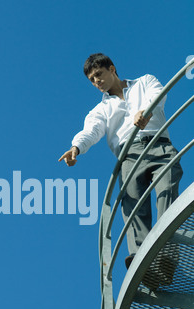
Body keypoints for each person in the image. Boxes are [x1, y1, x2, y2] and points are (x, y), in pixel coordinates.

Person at [58, 53, 183, 269]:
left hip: (157, 141)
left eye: (98, 74)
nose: (96, 81)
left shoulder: (144, 81)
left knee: (167, 188)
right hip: (129, 155)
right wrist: (76, 147)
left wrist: (146, 111)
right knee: (132, 204)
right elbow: (92, 130)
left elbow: (158, 95)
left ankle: (166, 258)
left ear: (112, 68)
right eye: (92, 80)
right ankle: (141, 261)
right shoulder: (100, 109)